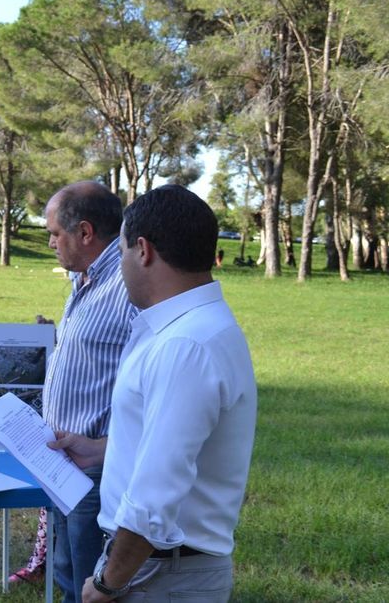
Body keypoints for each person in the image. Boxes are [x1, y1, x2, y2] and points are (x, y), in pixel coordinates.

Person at [50, 185, 257, 602]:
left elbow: (154, 496)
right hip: (156, 567)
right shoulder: (190, 330)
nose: (121, 264)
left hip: (158, 574)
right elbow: (174, 445)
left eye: (122, 251)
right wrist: (101, 450)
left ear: (142, 250)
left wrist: (108, 582)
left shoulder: (185, 345)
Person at [28, 181, 137, 602]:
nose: (51, 243)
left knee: (92, 584)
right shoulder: (87, 279)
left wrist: (105, 445)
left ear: (85, 233)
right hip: (62, 460)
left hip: (95, 464)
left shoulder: (127, 283)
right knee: (66, 571)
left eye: (56, 234)